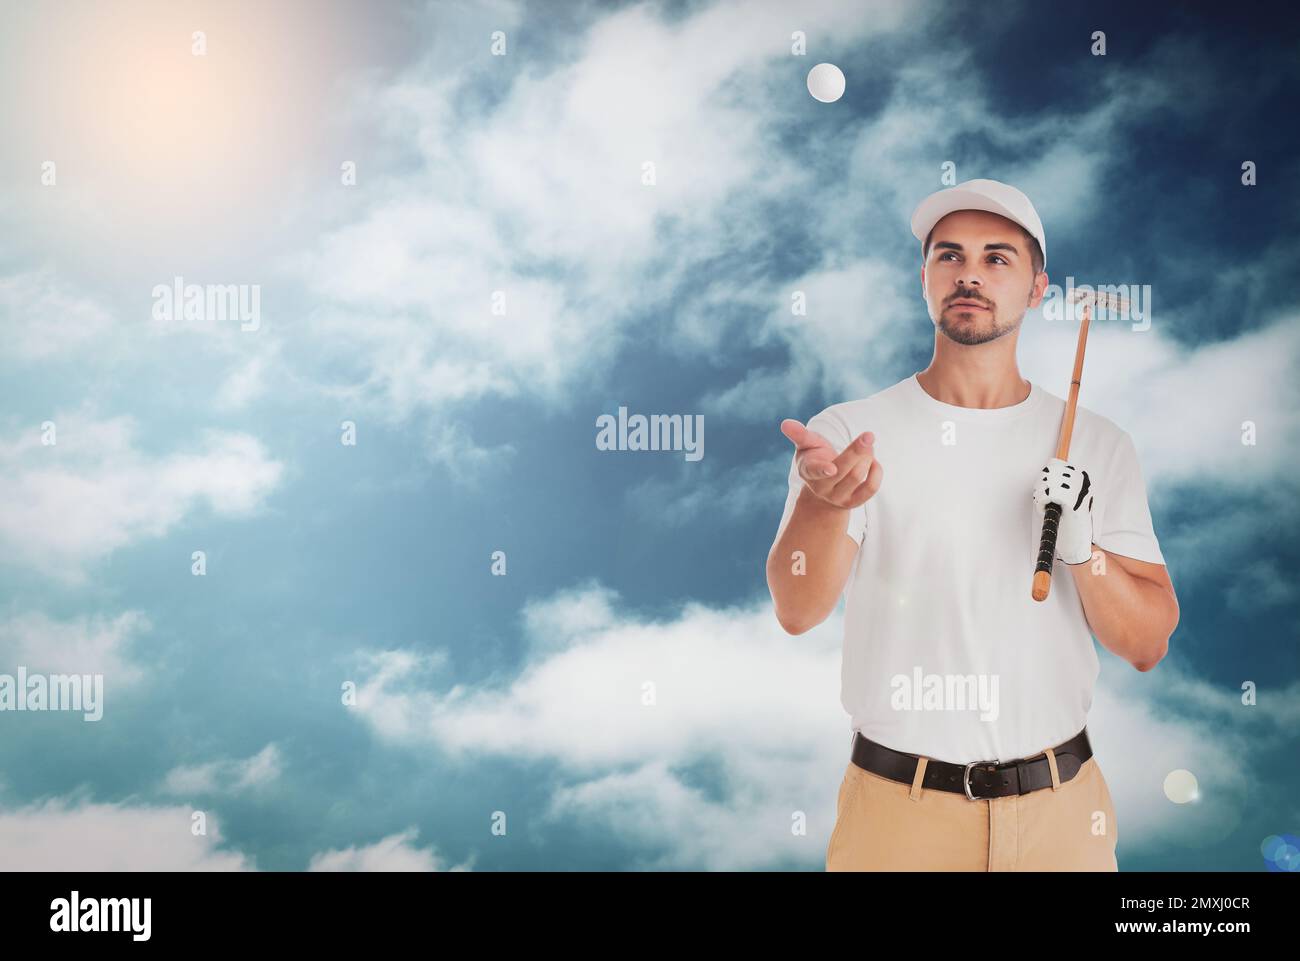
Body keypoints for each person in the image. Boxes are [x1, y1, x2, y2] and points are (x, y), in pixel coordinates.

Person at [766, 179, 1180, 871]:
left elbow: (1146, 642)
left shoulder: (1100, 445)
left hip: (1063, 815)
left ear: (1037, 288)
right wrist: (825, 501)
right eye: (949, 256)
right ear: (924, 278)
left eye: (997, 258)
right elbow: (798, 609)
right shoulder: (849, 434)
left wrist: (1085, 553)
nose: (969, 273)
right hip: (898, 819)